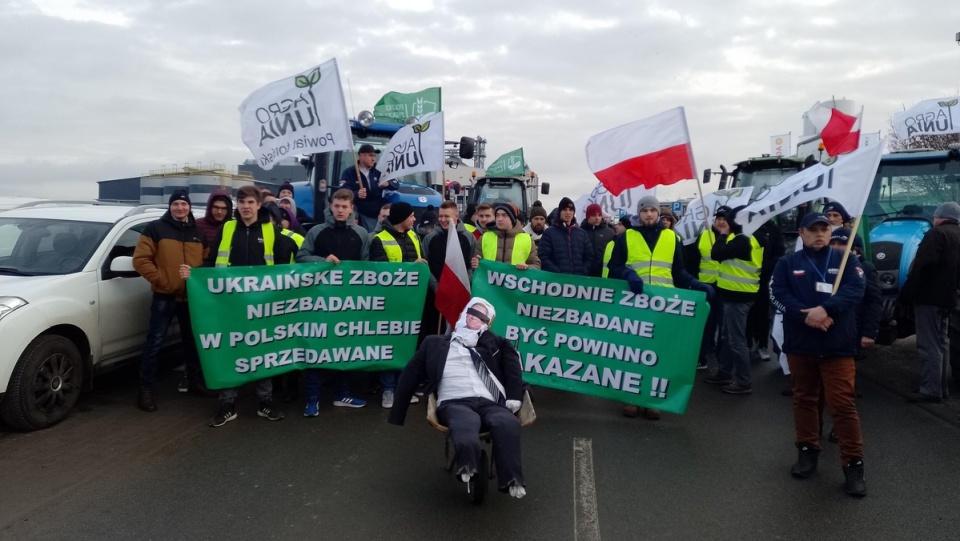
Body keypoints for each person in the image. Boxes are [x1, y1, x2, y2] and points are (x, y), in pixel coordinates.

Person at [387, 299, 527, 499]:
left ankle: (512, 480)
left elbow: (513, 367)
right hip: (455, 400)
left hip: (490, 400)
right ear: (463, 313)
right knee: (464, 424)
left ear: (487, 324)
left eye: (481, 316)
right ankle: (467, 465)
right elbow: (410, 374)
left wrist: (514, 397)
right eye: (471, 311)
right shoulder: (434, 343)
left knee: (507, 423)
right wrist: (398, 413)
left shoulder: (495, 342)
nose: (474, 316)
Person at [770, 212, 867, 497]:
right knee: (804, 400)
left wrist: (827, 309)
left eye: (824, 229)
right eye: (813, 229)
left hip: (837, 347)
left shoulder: (846, 258)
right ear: (802, 232)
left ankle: (854, 465)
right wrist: (807, 316)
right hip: (801, 346)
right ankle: (807, 451)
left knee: (842, 405)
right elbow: (777, 293)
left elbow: (855, 289)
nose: (819, 234)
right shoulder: (787, 263)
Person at [607, 196, 714, 420]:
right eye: (644, 210)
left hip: (662, 308)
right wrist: (628, 274)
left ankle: (651, 399)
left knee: (657, 354)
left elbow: (678, 273)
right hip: (634, 304)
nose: (648, 214)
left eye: (652, 211)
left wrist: (696, 284)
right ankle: (631, 398)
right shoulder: (626, 236)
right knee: (632, 353)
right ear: (639, 212)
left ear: (658, 214)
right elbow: (614, 267)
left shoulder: (671, 237)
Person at [203, 185, 299, 427]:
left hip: (262, 305)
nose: (245, 206)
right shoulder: (227, 228)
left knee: (262, 351)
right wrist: (192, 274)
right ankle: (227, 404)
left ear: (258, 205)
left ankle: (265, 401)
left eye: (250, 202)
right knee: (229, 350)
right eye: (241, 202)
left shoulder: (270, 230)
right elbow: (212, 261)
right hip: (229, 304)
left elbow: (282, 266)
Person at [132, 190, 210, 412]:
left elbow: (206, 261)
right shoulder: (155, 229)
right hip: (164, 296)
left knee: (191, 343)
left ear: (189, 207)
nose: (179, 208)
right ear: (170, 207)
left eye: (183, 204)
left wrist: (197, 277)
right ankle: (145, 390)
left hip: (190, 298)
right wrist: (162, 280)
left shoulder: (198, 232)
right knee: (155, 343)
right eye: (175, 204)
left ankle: (195, 383)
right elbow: (140, 260)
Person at [296, 189, 371, 415]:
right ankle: (312, 398)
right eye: (336, 206)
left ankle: (342, 394)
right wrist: (322, 261)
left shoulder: (362, 234)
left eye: (344, 206)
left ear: (351, 208)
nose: (340, 210)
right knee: (316, 349)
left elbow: (367, 268)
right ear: (331, 206)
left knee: (345, 349)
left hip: (349, 303)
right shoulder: (316, 231)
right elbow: (301, 257)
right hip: (318, 302)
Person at [899, 201, 960, 403]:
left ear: (940, 217)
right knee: (943, 343)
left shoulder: (936, 234)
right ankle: (941, 388)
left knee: (928, 345)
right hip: (949, 299)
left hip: (929, 298)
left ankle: (930, 390)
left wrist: (907, 293)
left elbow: (923, 266)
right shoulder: (957, 234)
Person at [370, 201, 427, 408]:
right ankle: (387, 390)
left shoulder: (414, 236)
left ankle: (402, 388)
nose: (414, 219)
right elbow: (381, 273)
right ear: (402, 218)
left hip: (411, 301)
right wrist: (412, 267)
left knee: (406, 347)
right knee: (389, 346)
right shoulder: (379, 239)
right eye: (411, 216)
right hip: (389, 302)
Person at [704, 205, 763, 395]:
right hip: (733, 294)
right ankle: (725, 372)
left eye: (729, 219)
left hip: (739, 295)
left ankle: (743, 381)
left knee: (736, 340)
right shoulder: (744, 237)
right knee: (727, 337)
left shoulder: (743, 240)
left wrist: (722, 235)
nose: (726, 222)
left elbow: (716, 254)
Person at [422, 201, 477, 338]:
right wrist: (436, 286)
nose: (443, 220)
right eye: (440, 216)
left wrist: (462, 284)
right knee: (434, 330)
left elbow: (472, 265)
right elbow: (425, 265)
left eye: (447, 216)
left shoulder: (468, 238)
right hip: (434, 294)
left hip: (459, 294)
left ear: (456, 217)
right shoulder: (429, 238)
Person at [685, 206, 726, 371]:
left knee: (722, 324)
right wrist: (694, 282)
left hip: (725, 287)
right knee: (705, 322)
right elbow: (693, 260)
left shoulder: (734, 237)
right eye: (718, 218)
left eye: (724, 219)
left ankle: (720, 359)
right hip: (705, 286)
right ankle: (702, 358)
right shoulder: (704, 236)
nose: (721, 222)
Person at [339, 144, 399, 232]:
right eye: (371, 155)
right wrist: (357, 194)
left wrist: (387, 184)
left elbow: (396, 184)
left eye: (374, 156)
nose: (373, 158)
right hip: (359, 209)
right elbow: (343, 192)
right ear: (362, 156)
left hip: (378, 208)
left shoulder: (379, 170)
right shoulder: (349, 172)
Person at [471, 202, 541, 271]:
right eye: (497, 215)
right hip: (488, 282)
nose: (499, 219)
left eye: (504, 215)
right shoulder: (484, 237)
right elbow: (477, 264)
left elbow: (536, 266)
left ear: (512, 218)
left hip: (515, 281)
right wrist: (475, 263)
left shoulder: (527, 239)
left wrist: (527, 267)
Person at [538, 197, 593, 276]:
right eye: (565, 210)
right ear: (560, 212)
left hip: (579, 281)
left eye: (570, 210)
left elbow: (589, 256)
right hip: (557, 281)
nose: (568, 213)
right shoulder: (549, 233)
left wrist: (583, 272)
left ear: (574, 212)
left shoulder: (582, 233)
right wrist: (558, 273)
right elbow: (543, 257)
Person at [582, 203, 615, 277]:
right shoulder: (580, 232)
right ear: (588, 216)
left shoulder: (610, 232)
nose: (597, 218)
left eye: (599, 215)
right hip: (584, 274)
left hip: (603, 275)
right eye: (594, 215)